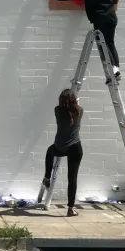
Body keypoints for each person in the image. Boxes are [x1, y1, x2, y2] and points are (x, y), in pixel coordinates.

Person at [49, 0, 120, 82]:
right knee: (110, 42)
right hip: (111, 16)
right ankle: (116, 69)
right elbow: (115, 0)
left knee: (102, 44)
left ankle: (112, 72)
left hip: (99, 17)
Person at [43, 89, 84, 217]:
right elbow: (76, 106)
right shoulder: (80, 111)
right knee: (72, 179)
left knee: (49, 152)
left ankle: (47, 177)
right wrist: (76, 101)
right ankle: (71, 209)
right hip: (75, 148)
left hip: (60, 147)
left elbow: (63, 109)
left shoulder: (57, 111)